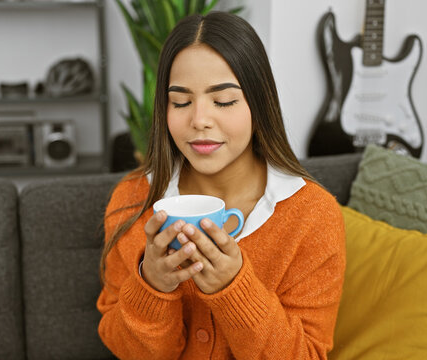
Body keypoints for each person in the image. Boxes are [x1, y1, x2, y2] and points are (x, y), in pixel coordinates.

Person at [97, 11, 346, 360]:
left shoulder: (312, 216)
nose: (199, 120)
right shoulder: (134, 199)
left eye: (224, 101)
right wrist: (151, 286)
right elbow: (123, 347)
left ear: (258, 105)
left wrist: (235, 290)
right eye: (180, 101)